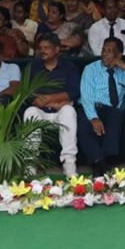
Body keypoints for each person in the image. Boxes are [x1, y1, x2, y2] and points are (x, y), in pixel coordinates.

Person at [77, 37, 125, 176]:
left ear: (119, 54)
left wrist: (124, 67)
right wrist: (94, 118)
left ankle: (105, 161)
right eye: (103, 50)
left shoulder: (124, 70)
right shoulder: (91, 69)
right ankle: (100, 162)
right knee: (84, 123)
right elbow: (86, 96)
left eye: (109, 51)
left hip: (111, 110)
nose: (105, 54)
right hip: (91, 106)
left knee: (117, 115)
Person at [22, 33, 80, 177]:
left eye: (47, 47)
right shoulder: (33, 67)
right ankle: (30, 165)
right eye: (40, 48)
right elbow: (26, 92)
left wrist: (50, 99)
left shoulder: (69, 67)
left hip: (61, 112)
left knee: (69, 110)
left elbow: (73, 92)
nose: (43, 51)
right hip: (40, 110)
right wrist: (51, 102)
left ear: (57, 49)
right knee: (30, 112)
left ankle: (69, 165)